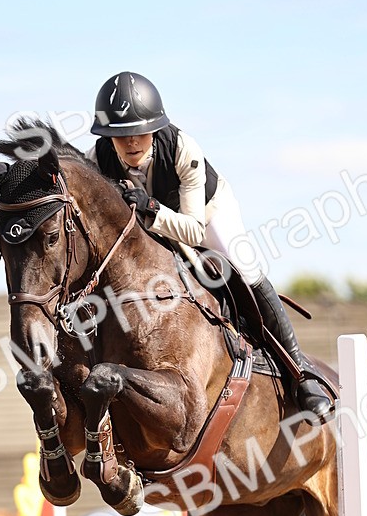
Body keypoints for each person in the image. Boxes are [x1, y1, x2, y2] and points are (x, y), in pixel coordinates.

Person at [87, 71, 331, 416]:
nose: (131, 143)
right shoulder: (97, 159)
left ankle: (301, 372)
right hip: (151, 227)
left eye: (139, 132)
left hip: (206, 214)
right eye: (120, 135)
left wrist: (151, 209)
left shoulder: (185, 150)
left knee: (244, 266)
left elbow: (193, 231)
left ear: (155, 128)